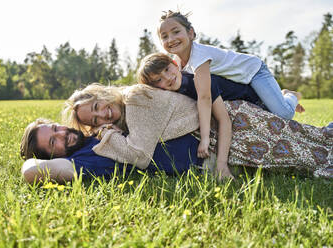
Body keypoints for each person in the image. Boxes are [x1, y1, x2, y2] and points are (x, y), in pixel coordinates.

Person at [62, 84, 332, 179]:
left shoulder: (133, 100)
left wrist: (106, 137)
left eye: (97, 106)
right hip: (221, 132)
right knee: (311, 146)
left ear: (102, 95)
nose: (102, 116)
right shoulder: (126, 117)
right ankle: (288, 97)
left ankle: (287, 96)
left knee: (316, 152)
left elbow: (140, 155)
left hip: (237, 123)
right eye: (94, 121)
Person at [157, 10, 305, 159]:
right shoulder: (175, 62)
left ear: (190, 33)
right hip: (239, 81)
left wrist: (205, 138)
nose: (171, 39)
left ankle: (290, 95)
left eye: (176, 32)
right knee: (266, 109)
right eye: (164, 36)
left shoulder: (199, 56)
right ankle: (280, 97)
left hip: (254, 71)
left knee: (284, 114)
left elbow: (205, 98)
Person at [137, 52, 268, 179]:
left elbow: (224, 120)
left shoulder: (198, 82)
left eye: (166, 69)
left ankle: (287, 96)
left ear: (175, 64)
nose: (167, 78)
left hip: (254, 98)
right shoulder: (174, 92)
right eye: (158, 79)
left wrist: (221, 164)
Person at [20, 118, 203, 184]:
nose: (62, 133)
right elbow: (30, 171)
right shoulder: (86, 158)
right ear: (51, 157)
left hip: (199, 127)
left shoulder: (93, 131)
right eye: (53, 142)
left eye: (55, 127)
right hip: (204, 155)